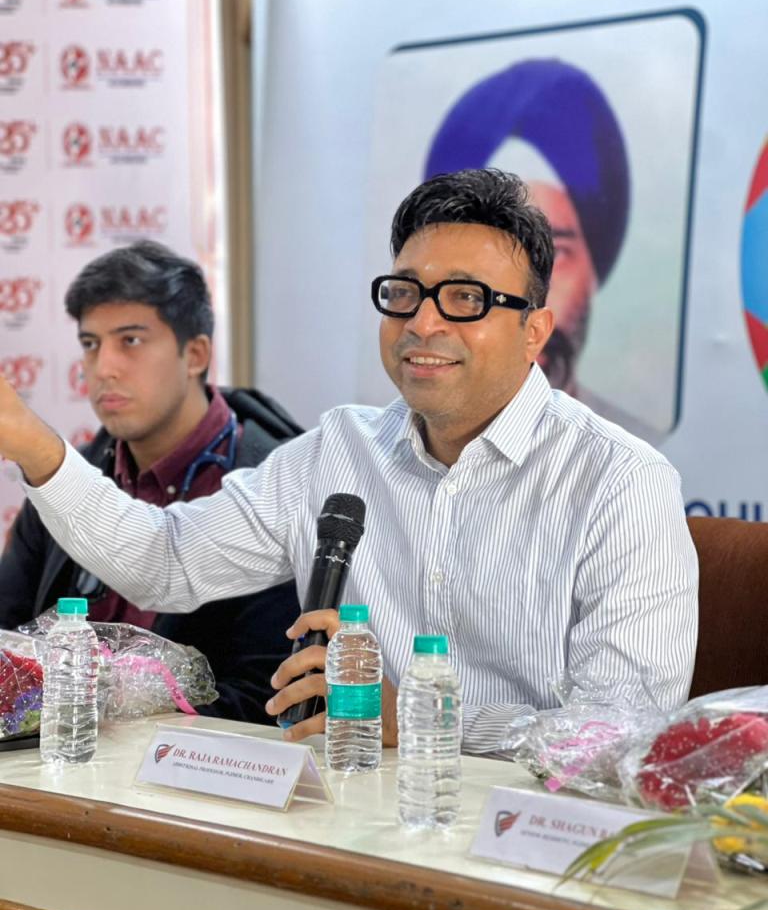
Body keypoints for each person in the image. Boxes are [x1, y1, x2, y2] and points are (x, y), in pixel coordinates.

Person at [0, 171, 698, 756]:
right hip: (347, 822)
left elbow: (619, 733)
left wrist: (424, 719)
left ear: (534, 331)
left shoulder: (619, 482)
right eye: (405, 293)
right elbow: (164, 560)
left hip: (528, 839)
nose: (424, 323)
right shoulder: (339, 449)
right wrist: (30, 440)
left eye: (466, 299)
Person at [0, 240, 301, 723]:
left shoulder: (275, 487)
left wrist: (110, 713)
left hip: (201, 763)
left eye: (131, 341)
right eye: (91, 344)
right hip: (53, 757)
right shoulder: (62, 479)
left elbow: (266, 700)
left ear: (195, 354)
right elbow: (8, 637)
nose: (104, 368)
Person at [423, 59, 655, 436]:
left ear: (593, 272)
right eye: (487, 259)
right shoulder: (364, 447)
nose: (520, 296)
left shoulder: (627, 462)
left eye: (555, 256)